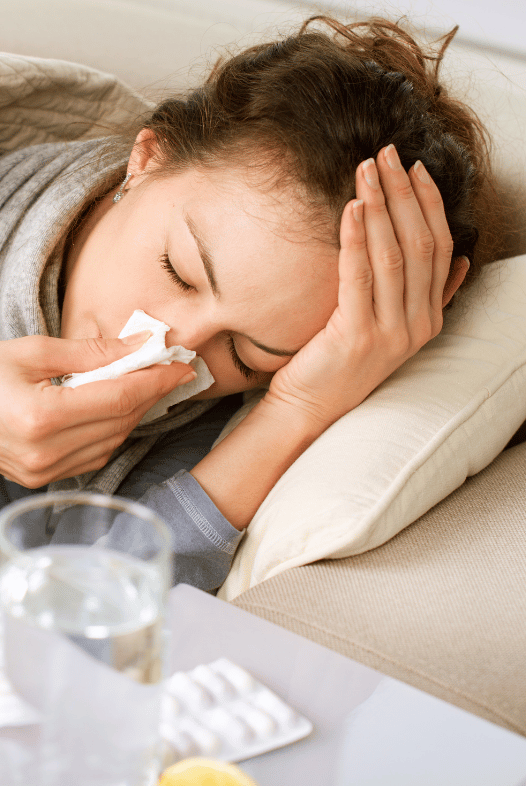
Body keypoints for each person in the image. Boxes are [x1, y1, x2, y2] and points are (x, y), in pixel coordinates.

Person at [0, 16, 502, 591]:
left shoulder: (206, 423)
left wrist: (296, 410)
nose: (168, 347)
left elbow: (87, 606)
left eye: (244, 354)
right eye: (179, 272)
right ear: (148, 159)